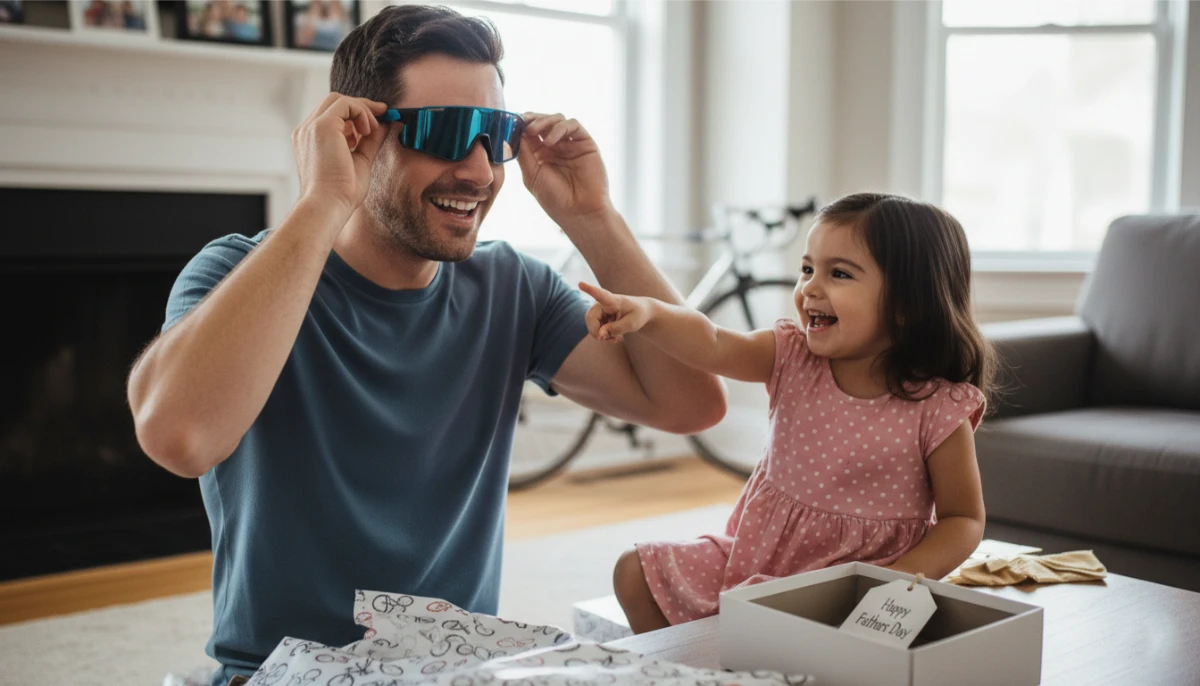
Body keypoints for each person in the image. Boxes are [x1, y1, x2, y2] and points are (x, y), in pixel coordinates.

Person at [124, 5, 725, 685]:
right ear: (359, 135)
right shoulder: (238, 275)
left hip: (461, 670)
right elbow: (178, 438)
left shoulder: (512, 289)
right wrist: (324, 200)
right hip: (285, 674)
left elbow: (689, 404)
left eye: (495, 136)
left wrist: (592, 218)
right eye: (444, 132)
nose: (478, 170)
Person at [590, 192, 997, 633]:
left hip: (849, 589)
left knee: (781, 639)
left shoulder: (937, 409)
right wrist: (649, 313)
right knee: (634, 571)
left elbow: (963, 518)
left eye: (839, 273)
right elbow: (710, 341)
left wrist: (895, 584)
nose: (809, 289)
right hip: (755, 562)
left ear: (905, 305)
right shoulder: (791, 356)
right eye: (807, 269)